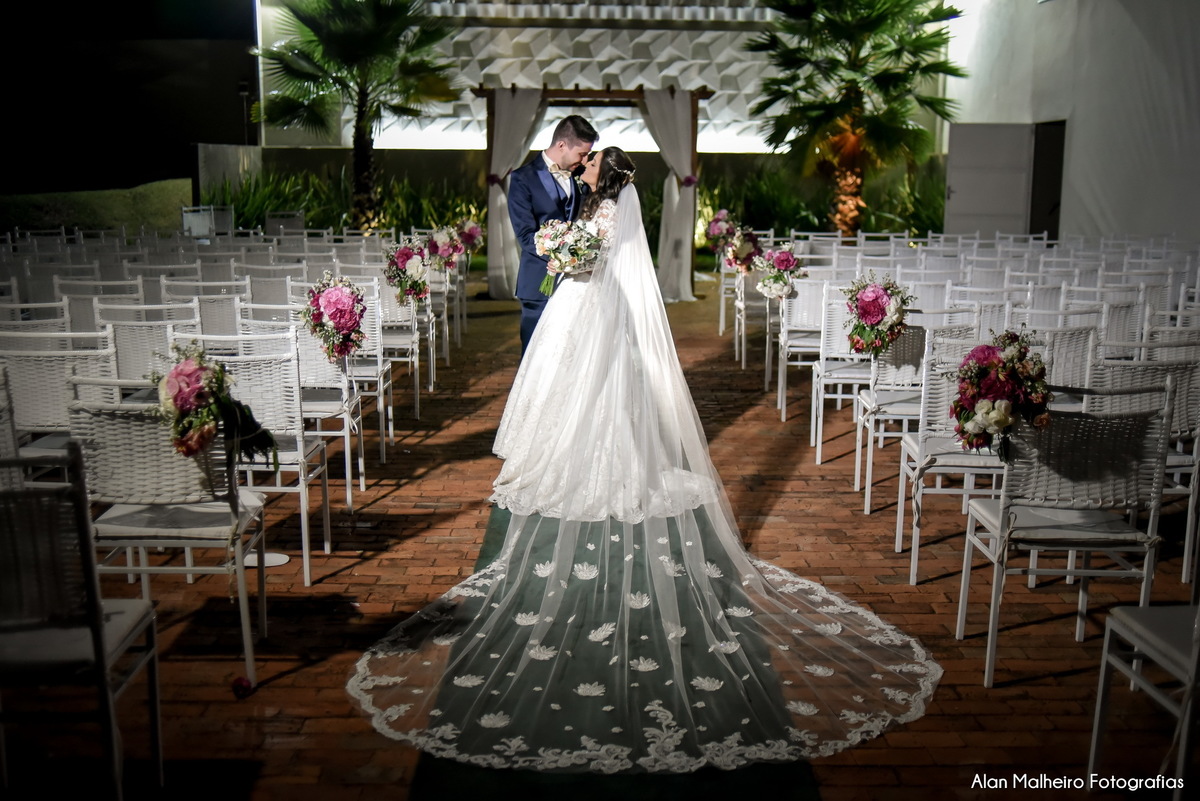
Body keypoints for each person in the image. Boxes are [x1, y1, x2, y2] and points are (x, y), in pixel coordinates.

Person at [348, 148, 942, 773]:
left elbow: (602, 256)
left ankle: (602, 460)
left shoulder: (610, 207)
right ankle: (574, 452)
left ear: (603, 173)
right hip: (584, 303)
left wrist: (569, 249)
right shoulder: (604, 202)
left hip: (595, 304)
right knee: (581, 387)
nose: (585, 165)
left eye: (592, 161)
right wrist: (566, 246)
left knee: (602, 387)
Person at [507, 114, 598, 355]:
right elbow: (526, 235)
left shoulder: (580, 176)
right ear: (561, 145)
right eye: (581, 153)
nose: (585, 160)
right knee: (534, 356)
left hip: (576, 286)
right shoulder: (522, 179)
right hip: (538, 282)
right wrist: (562, 258)